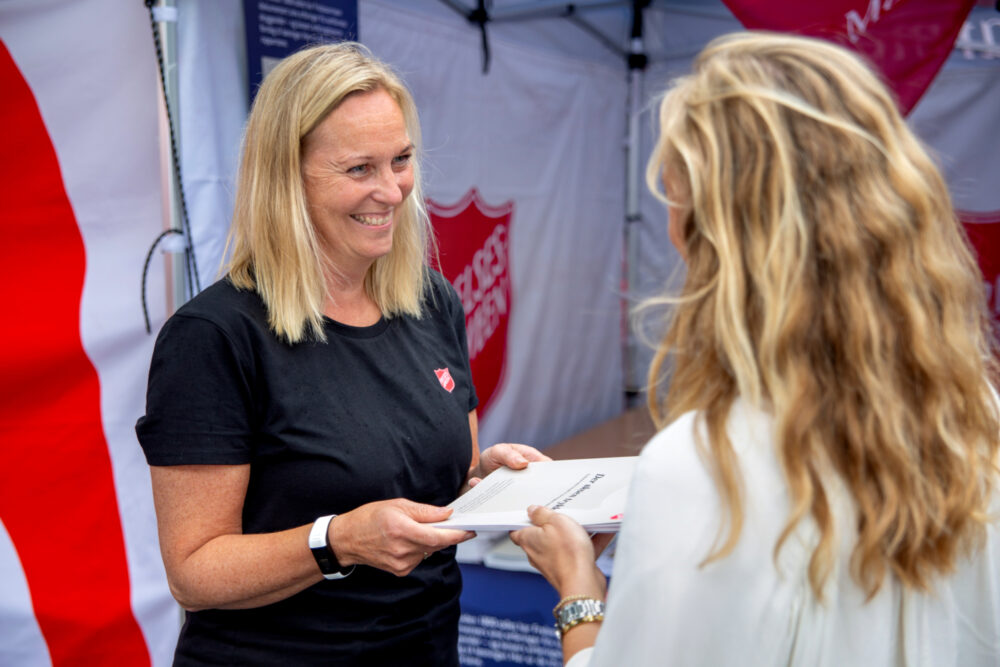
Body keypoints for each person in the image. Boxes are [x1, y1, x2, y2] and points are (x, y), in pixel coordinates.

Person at [511, 31, 1000, 666]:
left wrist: (579, 587)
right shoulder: (974, 419)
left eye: (675, 197)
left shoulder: (707, 469)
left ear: (715, 237)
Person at [135, 42, 547, 665]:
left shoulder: (430, 301)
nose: (392, 190)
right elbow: (194, 570)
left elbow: (442, 485)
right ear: (286, 178)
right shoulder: (215, 336)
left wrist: (488, 482)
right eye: (360, 169)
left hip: (425, 648)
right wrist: (338, 541)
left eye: (402, 160)